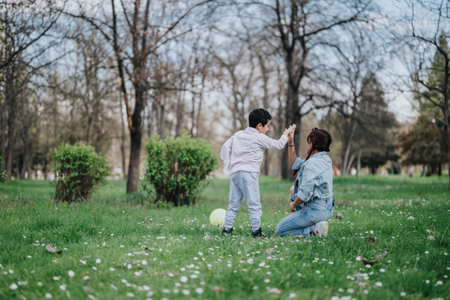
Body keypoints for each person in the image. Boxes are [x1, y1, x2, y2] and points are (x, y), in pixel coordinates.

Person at [220, 108, 295, 238]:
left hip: (235, 173)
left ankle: (227, 230)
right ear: (259, 126)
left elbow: (225, 148)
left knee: (233, 203)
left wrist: (228, 164)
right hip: (249, 173)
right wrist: (286, 134)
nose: (267, 130)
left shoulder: (237, 135)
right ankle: (256, 232)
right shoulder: (259, 137)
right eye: (267, 126)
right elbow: (277, 145)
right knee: (254, 204)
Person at [275, 127, 334, 237]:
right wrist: (291, 142)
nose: (307, 145)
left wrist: (293, 204)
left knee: (280, 230)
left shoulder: (311, 165)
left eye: (308, 142)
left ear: (313, 144)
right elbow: (295, 164)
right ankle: (312, 224)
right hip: (328, 208)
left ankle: (314, 230)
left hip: (314, 210)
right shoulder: (325, 159)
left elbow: (305, 194)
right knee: (293, 189)